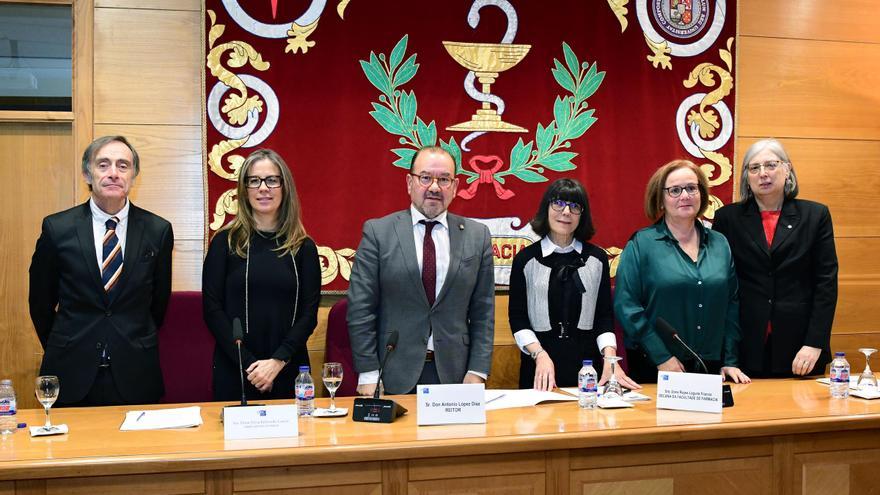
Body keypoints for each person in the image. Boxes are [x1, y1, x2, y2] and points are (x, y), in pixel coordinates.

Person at [29, 136, 174, 406]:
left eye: (123, 165)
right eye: (103, 165)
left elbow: (158, 304)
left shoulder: (158, 230)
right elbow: (40, 303)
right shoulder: (57, 229)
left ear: (134, 175)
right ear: (88, 172)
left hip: (135, 372)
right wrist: (68, 344)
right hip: (71, 371)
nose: (113, 173)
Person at [347, 146, 495, 395]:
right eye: (426, 178)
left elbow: (483, 312)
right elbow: (360, 309)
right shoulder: (378, 233)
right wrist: (369, 373)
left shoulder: (477, 236)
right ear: (409, 182)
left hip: (456, 376)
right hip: (391, 372)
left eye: (444, 179)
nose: (435, 187)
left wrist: (478, 371)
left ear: (455, 186)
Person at [614, 160, 750, 384]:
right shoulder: (642, 243)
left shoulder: (720, 244)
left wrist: (730, 360)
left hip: (713, 367)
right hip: (657, 366)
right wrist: (661, 356)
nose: (684, 196)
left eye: (691, 188)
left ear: (701, 194)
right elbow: (626, 304)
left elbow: (732, 304)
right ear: (660, 199)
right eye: (675, 190)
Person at [713, 139, 838, 377]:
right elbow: (723, 286)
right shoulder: (727, 218)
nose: (763, 174)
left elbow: (826, 284)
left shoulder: (816, 215)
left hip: (801, 346)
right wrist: (727, 352)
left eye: (771, 165)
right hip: (744, 344)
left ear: (787, 169)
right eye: (754, 168)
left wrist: (815, 342)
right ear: (746, 177)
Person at [202, 149, 320, 401]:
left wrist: (277, 362)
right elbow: (212, 309)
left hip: (289, 369)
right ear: (244, 190)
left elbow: (309, 315)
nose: (263, 188)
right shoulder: (224, 242)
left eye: (271, 180)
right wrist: (251, 365)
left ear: (284, 186)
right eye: (254, 181)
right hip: (235, 369)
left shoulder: (304, 247)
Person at [509, 178, 639, 391]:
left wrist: (610, 358)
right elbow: (518, 317)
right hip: (540, 367)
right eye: (558, 203)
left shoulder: (596, 258)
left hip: (587, 369)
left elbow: (603, 316)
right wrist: (539, 354)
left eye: (575, 206)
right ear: (546, 208)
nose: (566, 211)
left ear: (582, 214)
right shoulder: (525, 259)